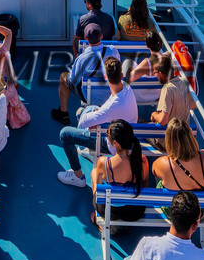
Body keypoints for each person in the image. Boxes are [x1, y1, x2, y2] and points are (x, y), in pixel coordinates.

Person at [56, 56, 138, 187]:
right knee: (88, 109)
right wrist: (96, 114)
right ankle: (86, 147)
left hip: (111, 144)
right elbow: (107, 110)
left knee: (66, 133)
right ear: (121, 75)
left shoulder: (112, 106)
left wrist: (94, 118)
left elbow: (84, 122)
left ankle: (77, 176)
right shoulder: (127, 89)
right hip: (127, 134)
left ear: (105, 77)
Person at [90, 119, 148, 229]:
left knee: (94, 172)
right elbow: (145, 184)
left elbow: (99, 192)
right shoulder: (142, 160)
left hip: (110, 212)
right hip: (134, 212)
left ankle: (98, 217)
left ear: (115, 143)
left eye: (108, 133)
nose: (107, 134)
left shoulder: (104, 162)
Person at [53, 22, 109, 123]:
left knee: (63, 77)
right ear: (101, 36)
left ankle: (63, 113)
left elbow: (73, 81)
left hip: (90, 95)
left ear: (86, 39)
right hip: (109, 93)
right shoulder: (113, 50)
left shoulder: (82, 58)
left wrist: (75, 69)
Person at [150, 55, 196, 127]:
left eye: (155, 72)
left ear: (161, 73)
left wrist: (154, 114)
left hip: (170, 134)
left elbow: (163, 121)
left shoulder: (167, 89)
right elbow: (193, 104)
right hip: (184, 132)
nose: (155, 75)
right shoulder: (184, 82)